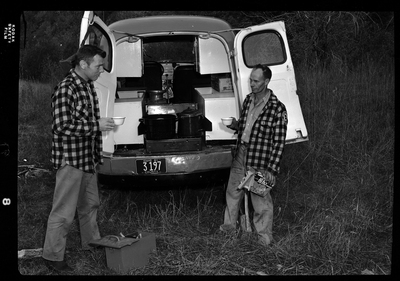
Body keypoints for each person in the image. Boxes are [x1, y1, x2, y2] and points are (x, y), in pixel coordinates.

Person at [42, 45, 115, 272]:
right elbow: (61, 126)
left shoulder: (87, 86)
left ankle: (91, 242)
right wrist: (97, 125)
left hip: (86, 159)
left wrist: (98, 126)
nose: (101, 70)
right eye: (98, 66)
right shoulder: (67, 88)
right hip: (71, 160)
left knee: (90, 204)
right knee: (63, 211)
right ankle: (53, 257)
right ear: (83, 64)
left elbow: (82, 121)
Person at [220, 64, 288, 246]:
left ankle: (264, 240)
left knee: (260, 200)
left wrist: (272, 169)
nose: (251, 84)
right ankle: (229, 232)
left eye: (256, 81)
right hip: (241, 154)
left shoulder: (277, 109)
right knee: (232, 193)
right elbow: (246, 126)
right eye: (251, 79)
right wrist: (236, 125)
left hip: (259, 160)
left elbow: (279, 142)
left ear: (266, 82)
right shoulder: (248, 100)